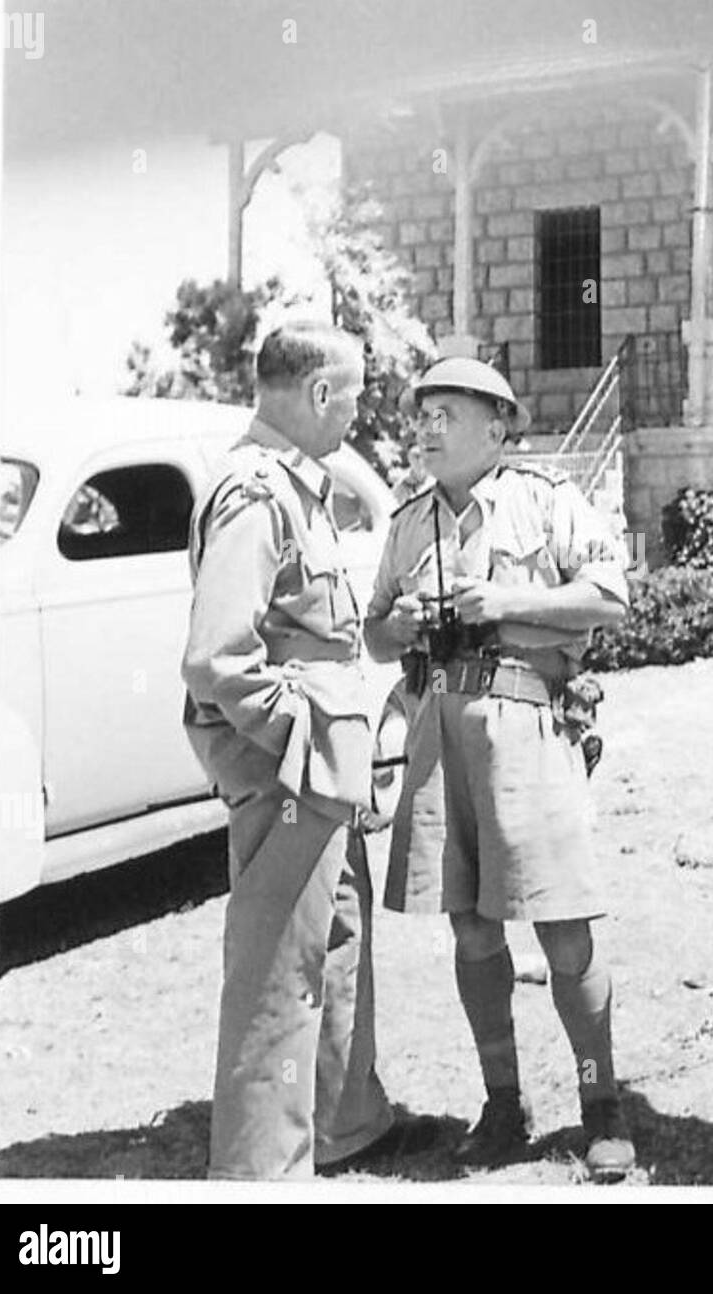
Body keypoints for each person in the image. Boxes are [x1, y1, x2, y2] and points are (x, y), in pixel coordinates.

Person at [364, 357, 635, 1183]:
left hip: (526, 724)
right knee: (471, 925)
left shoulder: (544, 501)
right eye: (424, 416)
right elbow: (372, 636)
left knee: (561, 921)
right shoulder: (409, 524)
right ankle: (502, 1101)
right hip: (440, 732)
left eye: (448, 413)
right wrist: (400, 624)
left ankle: (602, 1107)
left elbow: (611, 597)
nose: (430, 429)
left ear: (497, 425)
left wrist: (509, 604)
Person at [182, 321, 433, 1180]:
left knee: (335, 940)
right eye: (357, 397)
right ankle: (261, 1170)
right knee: (277, 976)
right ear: (320, 393)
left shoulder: (298, 486)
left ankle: (344, 1123)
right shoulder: (256, 494)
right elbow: (218, 659)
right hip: (294, 769)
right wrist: (299, 741)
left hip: (324, 768)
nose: (361, 415)